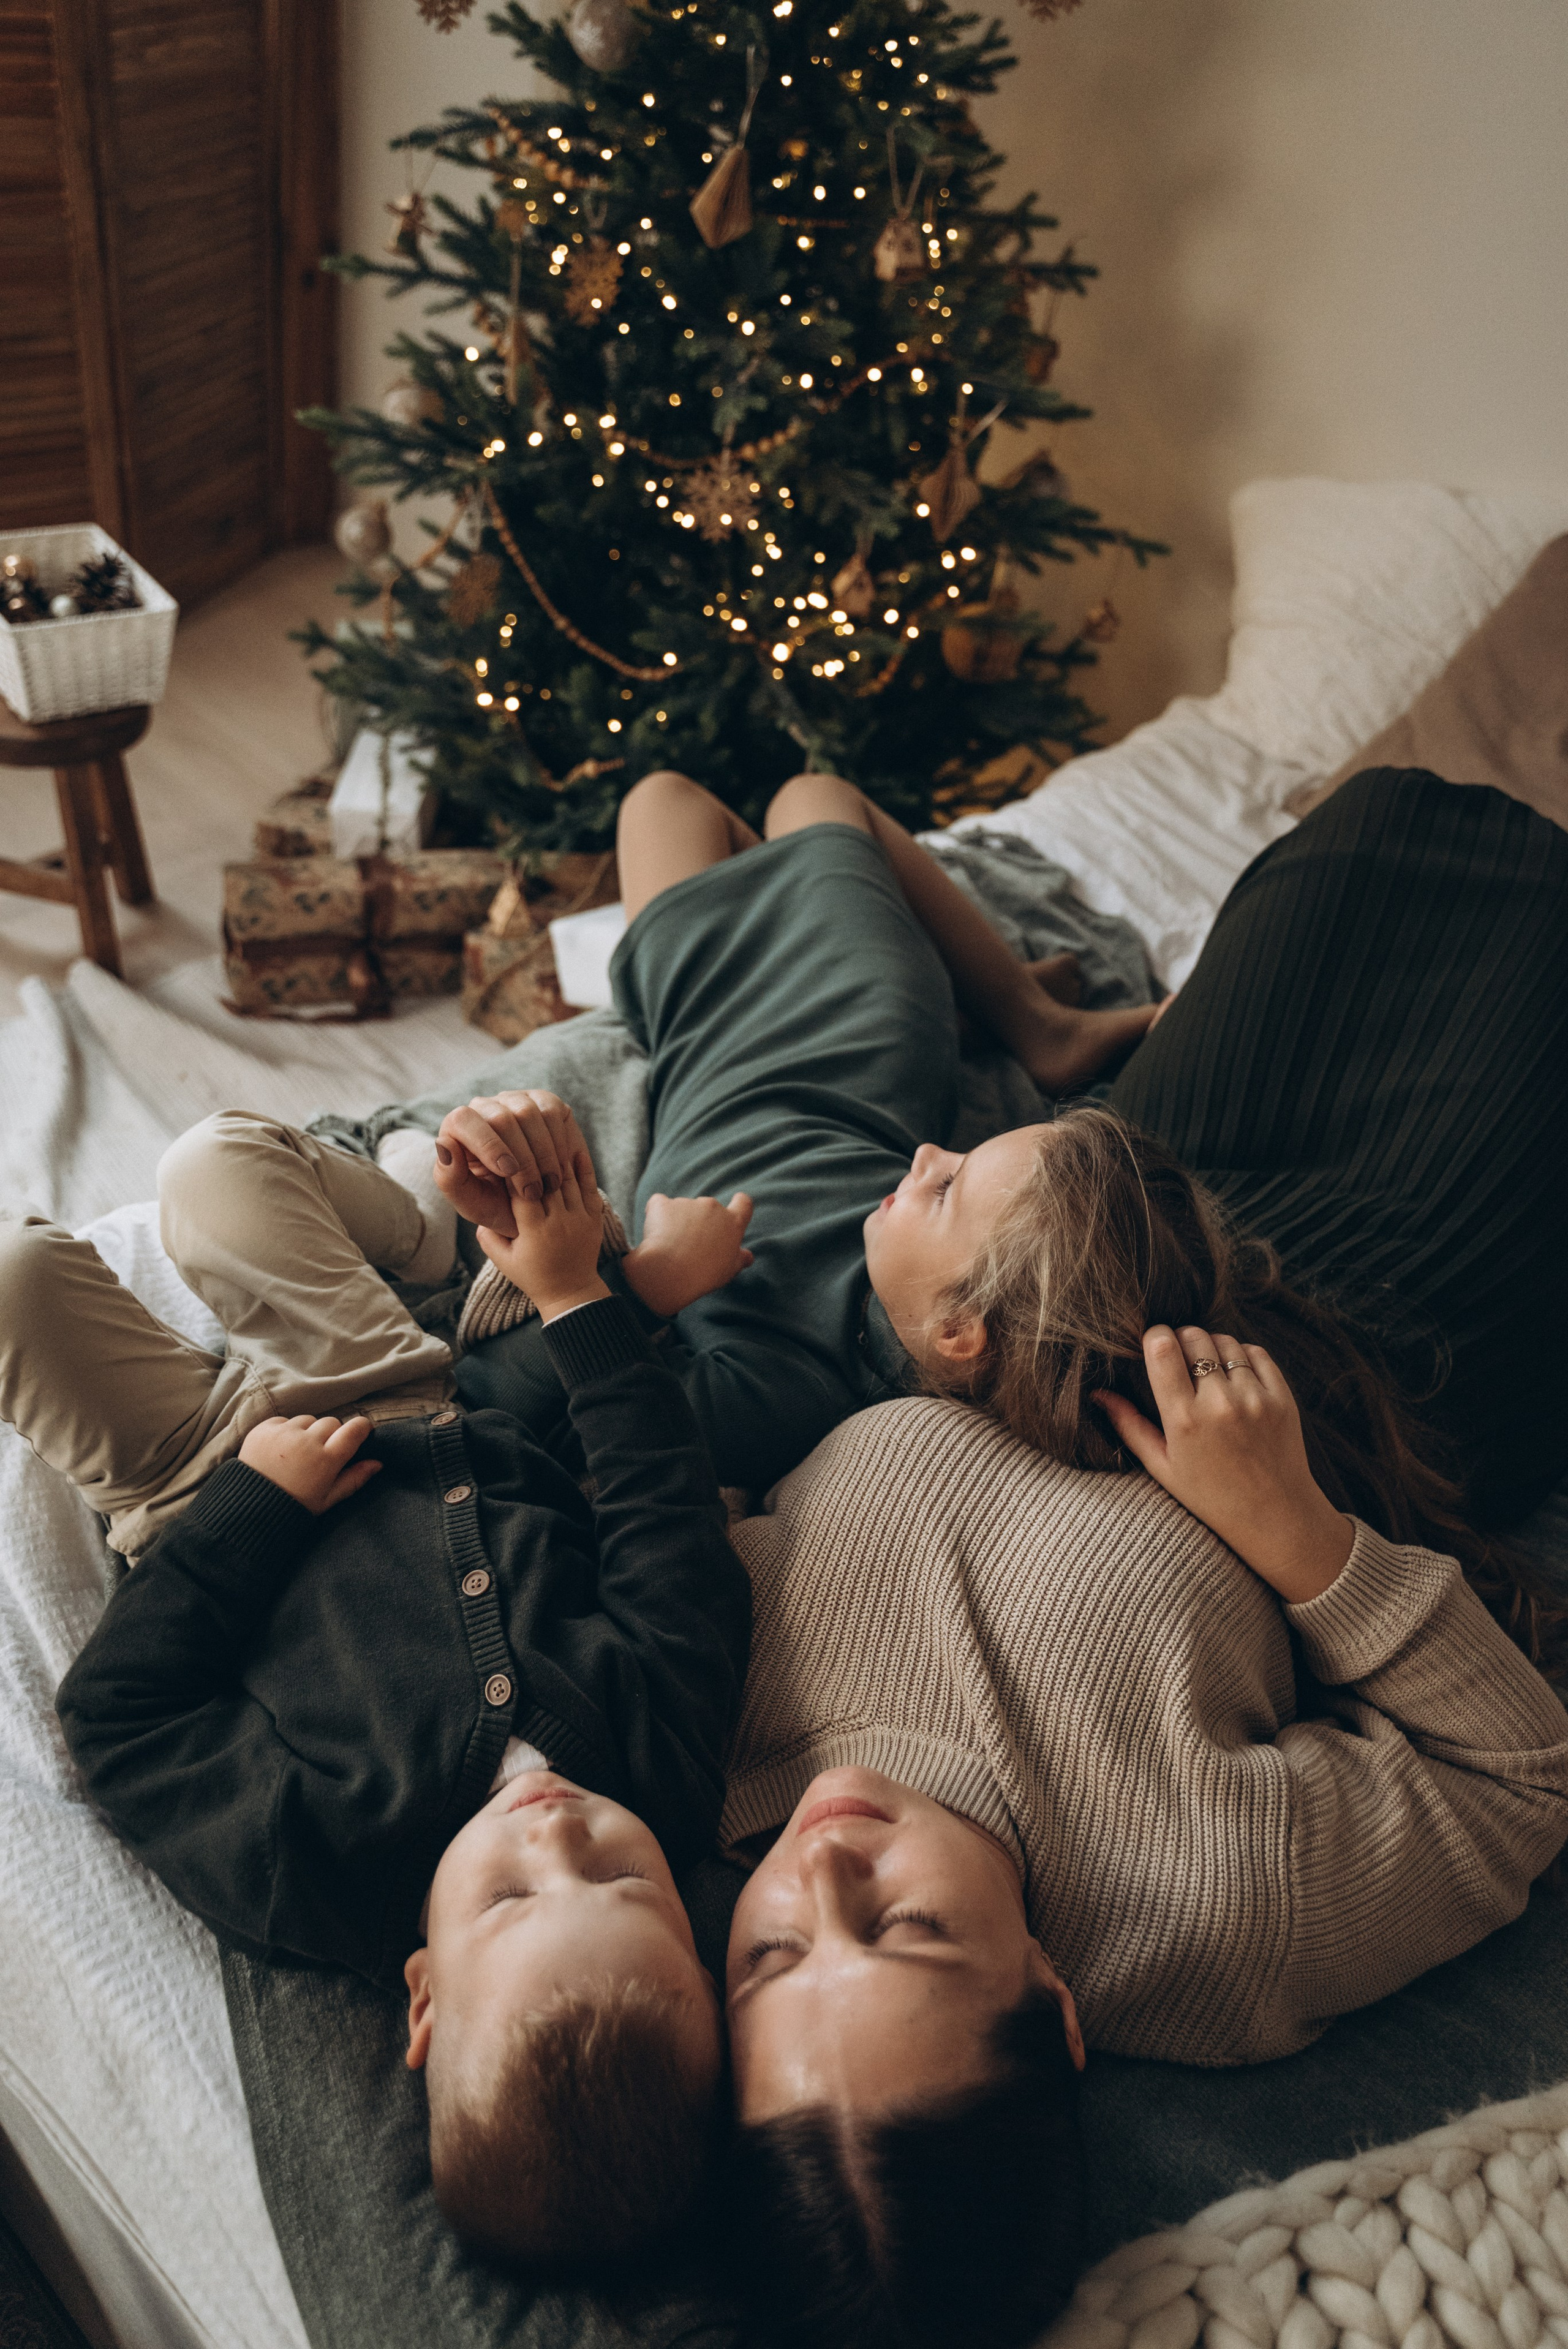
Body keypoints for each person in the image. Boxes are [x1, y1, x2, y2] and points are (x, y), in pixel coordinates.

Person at [717, 1319, 1568, 2349]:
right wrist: (1293, 1525)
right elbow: (1516, 1777)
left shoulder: (684, 1756)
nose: (821, 1865)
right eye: (908, 1926)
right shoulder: (1215, 1903)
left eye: (773, 1954)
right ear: (1054, 2001)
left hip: (883, 1307)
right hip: (1301, 1339)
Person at [12, 1106, 753, 2272]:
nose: (557, 1836)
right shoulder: (665, 1751)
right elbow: (663, 1515)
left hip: (189, 1485)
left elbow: (122, 1720)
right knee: (216, 1165)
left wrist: (252, 1509)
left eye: (508, 1898)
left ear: (425, 1995)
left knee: (13, 1284)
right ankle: (413, 1233)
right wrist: (576, 1299)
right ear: (697, 1941)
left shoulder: (317, 1871)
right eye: (622, 1879)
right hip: (389, 1393)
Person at [443, 767, 1158, 1494]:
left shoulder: (783, 1393)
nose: (923, 1157)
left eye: (946, 1187)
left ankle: (973, 1001)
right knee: (814, 793)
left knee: (663, 798)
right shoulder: (939, 1260)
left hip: (706, 1040)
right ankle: (1036, 1023)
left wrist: (651, 1282)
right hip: (863, 1041)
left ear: (957, 1328)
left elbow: (499, 1406)